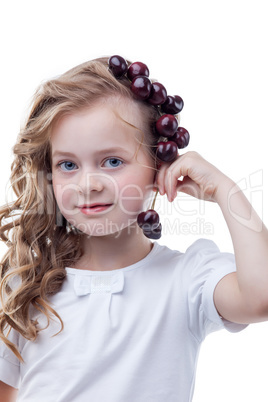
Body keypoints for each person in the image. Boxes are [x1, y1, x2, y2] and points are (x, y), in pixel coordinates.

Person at [0, 55, 267, 402]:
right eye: (67, 164)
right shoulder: (25, 284)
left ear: (159, 164)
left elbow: (261, 298)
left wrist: (226, 191)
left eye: (112, 161)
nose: (87, 184)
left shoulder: (187, 279)